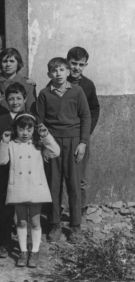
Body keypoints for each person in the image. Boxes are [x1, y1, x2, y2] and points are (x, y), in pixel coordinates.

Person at [36, 57, 91, 242]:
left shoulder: (77, 91)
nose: (58, 74)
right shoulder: (44, 94)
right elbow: (40, 122)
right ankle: (54, 224)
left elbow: (86, 117)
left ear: (68, 72)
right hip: (53, 142)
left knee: (74, 184)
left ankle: (75, 226)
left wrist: (83, 142)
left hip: (73, 141)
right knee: (54, 183)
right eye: (54, 70)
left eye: (61, 70)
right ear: (48, 74)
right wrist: (44, 145)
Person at [0, 113, 60, 268]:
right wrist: (4, 141)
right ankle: (23, 252)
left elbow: (56, 151)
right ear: (15, 129)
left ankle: (35, 251)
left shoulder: (38, 144)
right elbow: (0, 160)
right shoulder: (12, 144)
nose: (25, 133)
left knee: (35, 221)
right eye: (21, 129)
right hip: (18, 188)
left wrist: (46, 136)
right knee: (21, 221)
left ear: (34, 130)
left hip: (35, 188)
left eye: (29, 129)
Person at [0, 82, 27, 257]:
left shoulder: (29, 119)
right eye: (11, 98)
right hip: (5, 170)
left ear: (25, 99)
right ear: (5, 100)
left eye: (18, 98)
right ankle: (4, 241)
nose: (14, 102)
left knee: (23, 209)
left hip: (24, 170)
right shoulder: (0, 120)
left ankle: (24, 245)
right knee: (5, 209)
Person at [66, 46, 100, 215]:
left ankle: (80, 210)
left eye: (81, 64)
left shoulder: (88, 85)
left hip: (81, 137)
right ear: (67, 62)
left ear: (85, 65)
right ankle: (59, 210)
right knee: (62, 175)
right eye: (73, 63)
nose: (77, 68)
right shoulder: (59, 80)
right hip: (63, 136)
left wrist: (86, 135)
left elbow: (94, 109)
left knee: (80, 177)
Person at [0, 48, 36, 113]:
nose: (8, 64)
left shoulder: (27, 84)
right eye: (4, 61)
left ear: (18, 63)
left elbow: (31, 110)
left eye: (12, 61)